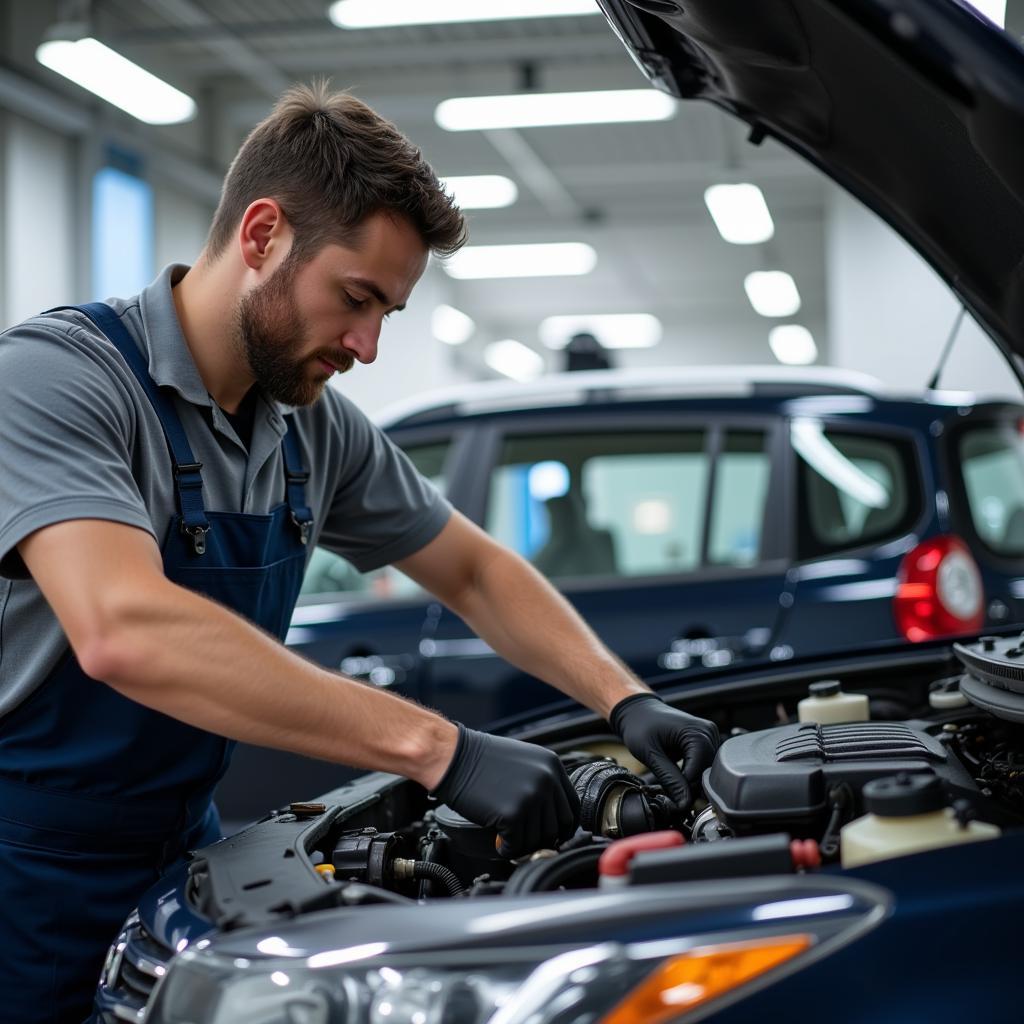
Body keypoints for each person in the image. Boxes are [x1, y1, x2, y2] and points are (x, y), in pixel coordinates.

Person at [0, 82, 719, 1021]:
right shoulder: (57, 381)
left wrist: (624, 698)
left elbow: (474, 569)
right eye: (355, 297)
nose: (369, 346)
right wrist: (439, 749)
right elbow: (124, 629)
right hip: (25, 870)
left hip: (184, 853)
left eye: (390, 312)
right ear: (262, 236)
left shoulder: (311, 430)